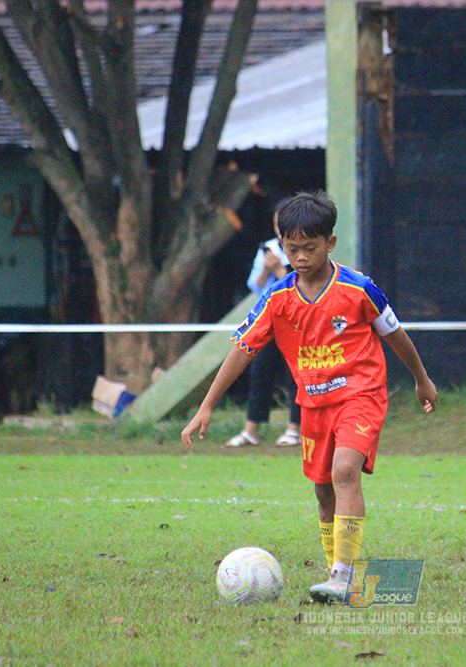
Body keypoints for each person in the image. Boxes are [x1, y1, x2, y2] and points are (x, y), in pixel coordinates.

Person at [181, 190, 438, 602]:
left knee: (344, 472)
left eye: (310, 248)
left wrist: (421, 379)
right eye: (291, 248)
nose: (300, 257)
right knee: (322, 491)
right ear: (280, 245)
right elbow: (241, 350)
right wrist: (206, 405)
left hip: (361, 394)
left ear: (330, 244)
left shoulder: (359, 288)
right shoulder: (277, 297)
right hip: (313, 404)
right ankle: (334, 569)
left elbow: (396, 335)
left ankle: (344, 574)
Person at [225, 211, 302, 448]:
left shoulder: (303, 249)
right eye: (277, 224)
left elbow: (300, 288)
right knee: (259, 373)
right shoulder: (267, 249)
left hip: (295, 323)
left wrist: (280, 268)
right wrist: (268, 269)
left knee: (296, 377)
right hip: (270, 322)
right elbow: (256, 286)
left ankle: (295, 429)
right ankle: (251, 430)